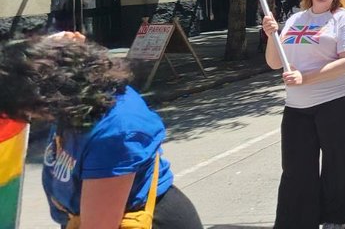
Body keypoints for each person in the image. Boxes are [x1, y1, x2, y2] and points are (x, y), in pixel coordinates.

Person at [0, 32, 203, 228]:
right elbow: (41, 60)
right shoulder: (74, 92)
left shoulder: (116, 132)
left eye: (28, 112)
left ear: (43, 95)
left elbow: (98, 225)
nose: (32, 118)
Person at [263, 0, 345, 229]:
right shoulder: (296, 19)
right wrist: (271, 36)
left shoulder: (342, 20)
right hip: (297, 104)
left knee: (336, 160)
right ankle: (297, 221)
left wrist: (306, 78)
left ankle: (336, 218)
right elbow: (275, 62)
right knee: (296, 165)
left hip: (337, 99)